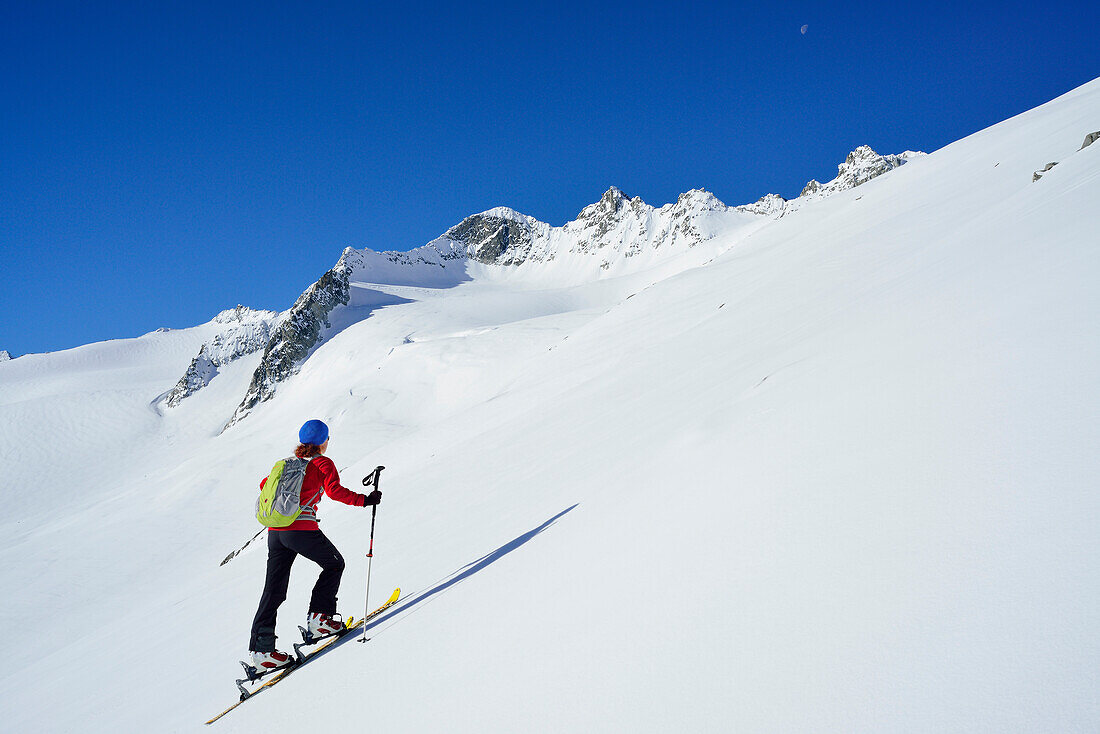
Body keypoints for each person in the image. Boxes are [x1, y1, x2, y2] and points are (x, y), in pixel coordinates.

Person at [248, 419, 381, 670]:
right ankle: (320, 619)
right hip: (300, 529)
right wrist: (366, 500)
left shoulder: (288, 464)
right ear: (323, 441)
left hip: (276, 533)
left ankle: (262, 651)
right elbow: (334, 491)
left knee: (273, 589)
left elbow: (265, 485)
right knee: (334, 564)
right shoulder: (323, 463)